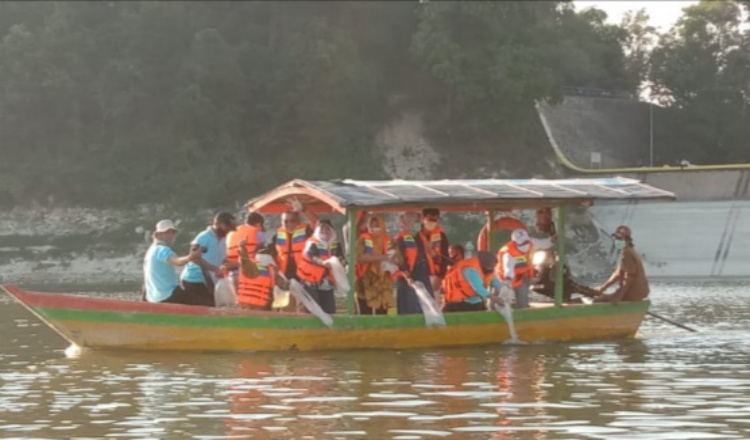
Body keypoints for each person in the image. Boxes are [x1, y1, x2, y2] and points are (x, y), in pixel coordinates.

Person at [180, 212, 236, 306]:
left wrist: (235, 265)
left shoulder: (223, 240)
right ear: (217, 224)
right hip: (193, 280)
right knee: (206, 307)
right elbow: (193, 258)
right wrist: (214, 269)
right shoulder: (203, 237)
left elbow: (222, 260)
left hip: (209, 282)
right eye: (226, 228)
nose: (228, 231)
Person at [143, 219, 203, 305]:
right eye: (168, 232)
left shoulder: (151, 250)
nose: (172, 235)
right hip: (167, 295)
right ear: (158, 235)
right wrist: (190, 257)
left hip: (154, 298)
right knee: (205, 303)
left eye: (173, 232)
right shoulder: (162, 249)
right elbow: (177, 262)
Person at [297, 220, 345, 314]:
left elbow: (340, 256)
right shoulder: (311, 242)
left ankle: (329, 326)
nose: (325, 232)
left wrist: (342, 263)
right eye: (322, 229)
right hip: (310, 281)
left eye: (327, 229)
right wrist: (322, 262)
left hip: (327, 281)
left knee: (329, 309)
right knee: (312, 309)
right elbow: (311, 256)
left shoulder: (336, 243)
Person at [355, 215, 400, 315]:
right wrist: (382, 257)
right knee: (365, 315)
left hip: (384, 283)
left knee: (383, 313)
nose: (374, 228)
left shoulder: (390, 240)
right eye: (372, 226)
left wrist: (394, 260)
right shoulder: (363, 239)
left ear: (383, 226)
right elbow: (358, 257)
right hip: (366, 282)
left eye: (377, 225)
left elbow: (399, 259)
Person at [595, 225, 650, 304]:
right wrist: (603, 288)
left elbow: (629, 277)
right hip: (640, 292)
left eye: (620, 239)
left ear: (627, 240)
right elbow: (618, 273)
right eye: (616, 239)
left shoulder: (626, 253)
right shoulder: (629, 250)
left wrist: (618, 297)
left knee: (599, 300)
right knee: (604, 297)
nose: (617, 241)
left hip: (634, 293)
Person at [394, 212, 432, 314]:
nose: (415, 222)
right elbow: (399, 260)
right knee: (410, 309)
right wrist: (407, 276)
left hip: (423, 277)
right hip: (408, 279)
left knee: (426, 308)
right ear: (402, 221)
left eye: (417, 219)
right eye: (411, 219)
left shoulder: (421, 237)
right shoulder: (400, 238)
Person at [271, 209, 316, 281]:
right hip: (284, 274)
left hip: (304, 273)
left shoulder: (306, 231)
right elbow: (272, 254)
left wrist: (303, 208)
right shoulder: (277, 236)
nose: (288, 223)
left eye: (292, 221)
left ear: (297, 221)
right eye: (285, 221)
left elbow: (315, 222)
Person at [226, 212, 266, 288]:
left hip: (232, 273)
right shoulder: (257, 232)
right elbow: (264, 252)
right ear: (258, 224)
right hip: (249, 271)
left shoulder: (231, 232)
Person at [497, 229, 535, 308]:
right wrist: (507, 281)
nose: (525, 244)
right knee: (499, 301)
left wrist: (551, 241)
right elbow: (508, 268)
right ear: (514, 243)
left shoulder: (531, 244)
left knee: (523, 301)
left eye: (526, 242)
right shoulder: (508, 253)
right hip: (504, 279)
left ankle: (523, 313)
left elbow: (542, 243)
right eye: (521, 243)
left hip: (521, 278)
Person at [419, 208, 450, 292]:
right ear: (422, 219)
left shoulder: (441, 236)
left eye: (435, 220)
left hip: (434, 276)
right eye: (430, 219)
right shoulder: (416, 236)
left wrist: (440, 276)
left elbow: (445, 257)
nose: (432, 223)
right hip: (418, 276)